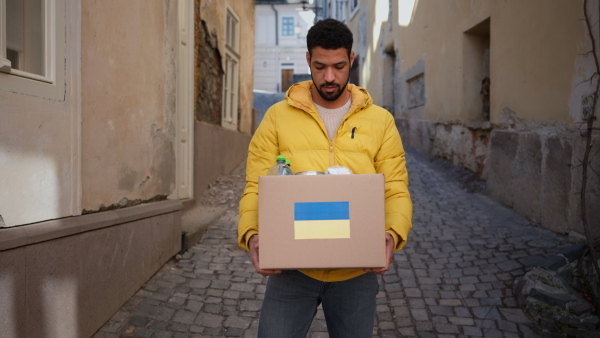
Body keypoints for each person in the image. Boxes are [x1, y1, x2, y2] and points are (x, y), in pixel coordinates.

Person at [238, 18, 412, 337]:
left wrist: (391, 233)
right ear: (308, 60)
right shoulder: (278, 117)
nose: (329, 77)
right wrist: (252, 234)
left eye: (339, 66)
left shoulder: (380, 121)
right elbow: (256, 186)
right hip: (293, 269)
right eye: (320, 66)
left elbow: (395, 188)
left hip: (356, 273)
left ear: (351, 60)